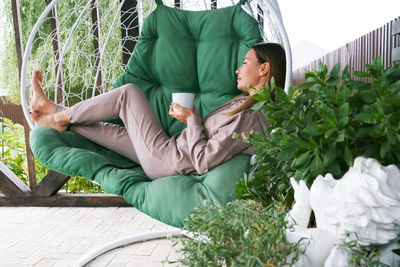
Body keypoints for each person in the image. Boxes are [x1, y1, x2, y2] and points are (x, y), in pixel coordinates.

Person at [30, 43, 286, 180]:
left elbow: (204, 160)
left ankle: (56, 116)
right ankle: (54, 112)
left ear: (264, 69)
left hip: (167, 160)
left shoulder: (254, 117)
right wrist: (193, 117)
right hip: (168, 150)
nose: (238, 69)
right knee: (107, 130)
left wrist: (193, 120)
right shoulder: (244, 103)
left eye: (245, 63)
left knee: (127, 94)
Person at [286, 157, 400, 267]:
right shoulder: (339, 252)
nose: (330, 176)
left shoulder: (320, 241)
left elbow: (286, 234)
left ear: (345, 212)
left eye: (334, 185)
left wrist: (301, 207)